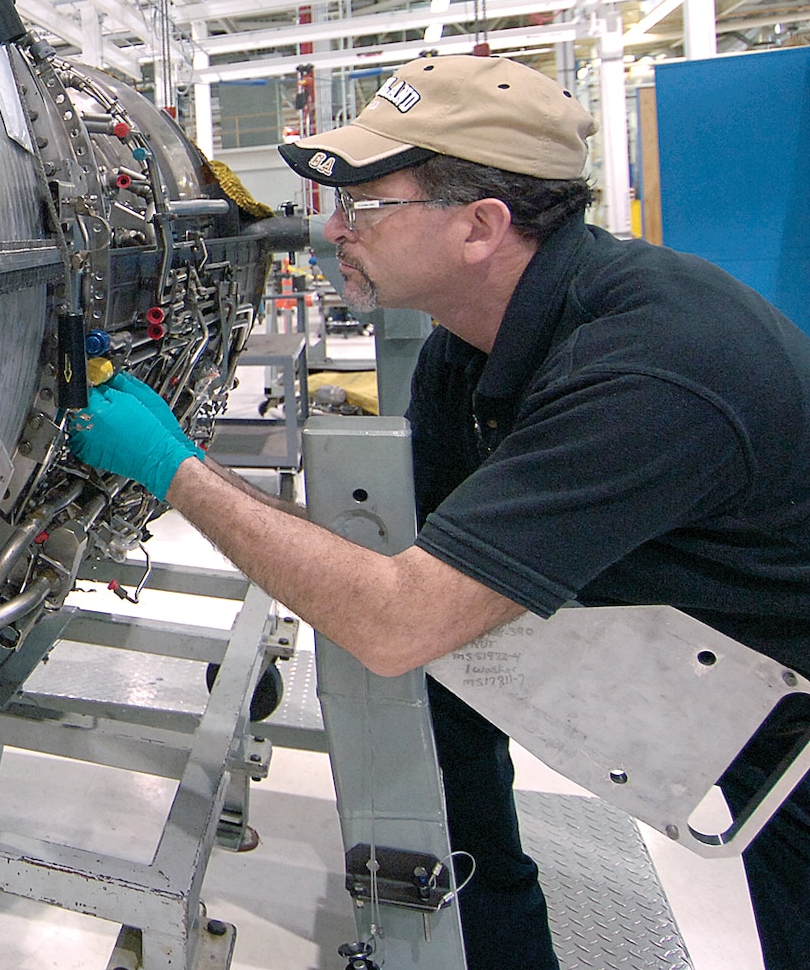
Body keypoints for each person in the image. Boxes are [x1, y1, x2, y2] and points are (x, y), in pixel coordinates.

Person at [70, 54, 810, 970]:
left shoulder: (649, 367)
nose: (332, 229)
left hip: (785, 725)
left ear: (480, 226)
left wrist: (173, 468)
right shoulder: (469, 348)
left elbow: (395, 620)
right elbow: (423, 590)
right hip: (719, 691)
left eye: (367, 206)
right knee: (449, 690)